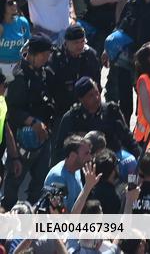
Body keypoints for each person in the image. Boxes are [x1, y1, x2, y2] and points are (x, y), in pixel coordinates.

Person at [1, 35, 58, 209]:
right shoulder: (19, 78)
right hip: (23, 139)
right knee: (14, 182)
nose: (46, 58)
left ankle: (31, 215)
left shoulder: (44, 73)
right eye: (43, 55)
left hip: (43, 137)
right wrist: (32, 122)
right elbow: (13, 111)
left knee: (40, 180)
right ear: (32, 54)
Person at [53, 76, 140, 166]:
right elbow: (59, 151)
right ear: (81, 99)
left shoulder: (111, 111)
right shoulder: (72, 118)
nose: (97, 97)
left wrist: (140, 157)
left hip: (112, 162)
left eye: (97, 92)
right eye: (91, 95)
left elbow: (128, 139)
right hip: (85, 166)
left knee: (131, 165)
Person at [48, 24, 102, 116]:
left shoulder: (90, 55)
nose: (80, 46)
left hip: (89, 105)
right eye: (76, 42)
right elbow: (51, 89)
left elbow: (97, 83)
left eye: (82, 42)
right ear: (66, 42)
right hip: (63, 108)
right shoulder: (56, 59)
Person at [44, 134, 92, 208]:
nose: (90, 158)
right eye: (86, 154)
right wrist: (87, 188)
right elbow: (60, 214)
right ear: (72, 156)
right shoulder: (57, 178)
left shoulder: (76, 170)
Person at [0, 0, 30, 80]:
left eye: (15, 1)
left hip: (18, 69)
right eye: (10, 3)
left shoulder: (22, 22)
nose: (14, 4)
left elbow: (28, 44)